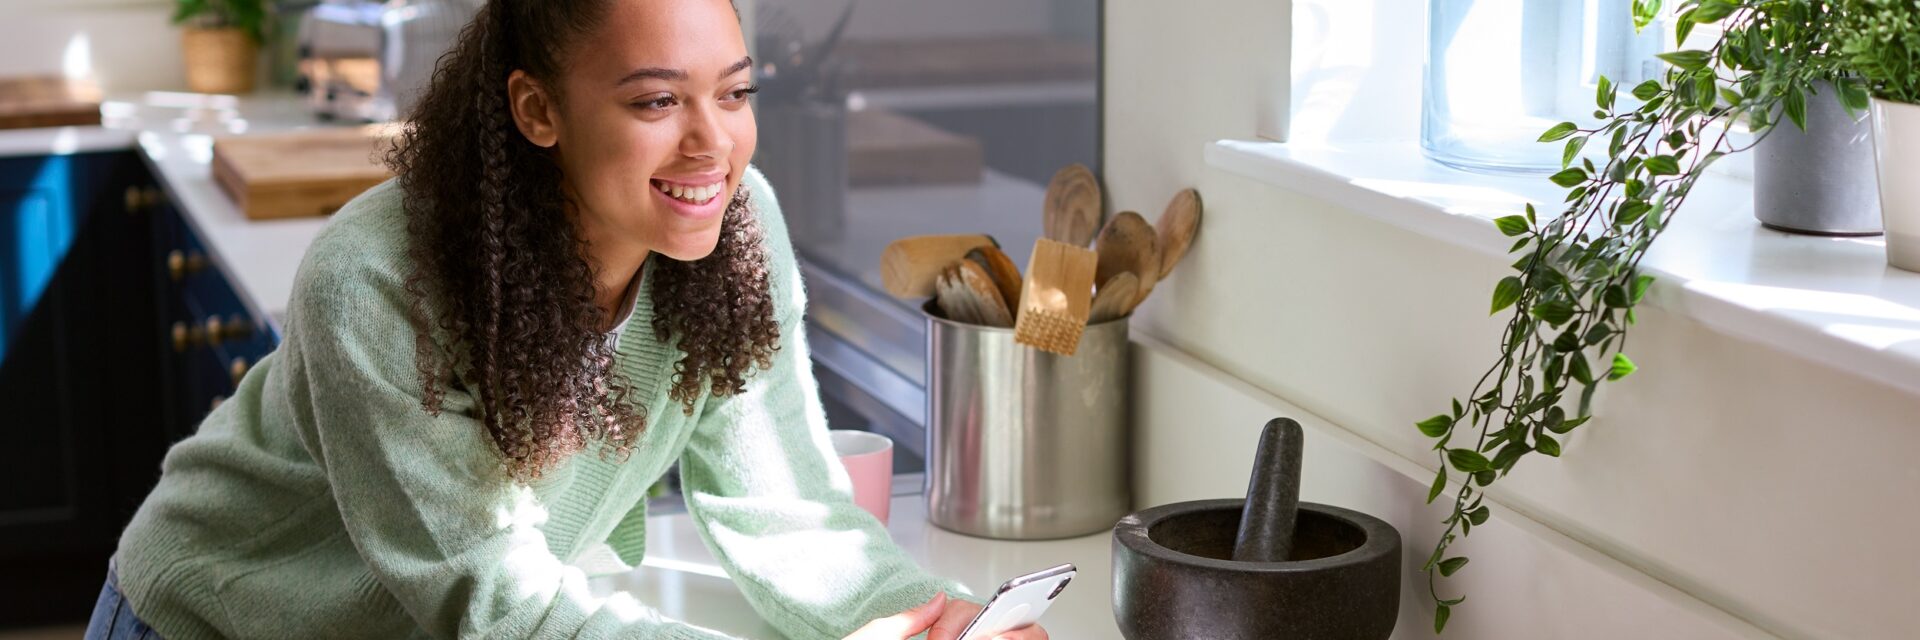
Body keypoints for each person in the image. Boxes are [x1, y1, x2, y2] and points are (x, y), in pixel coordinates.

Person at [87, 1, 1050, 638]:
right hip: (214, 617)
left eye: (736, 91)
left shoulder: (732, 228)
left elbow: (785, 507)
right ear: (538, 109)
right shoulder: (378, 282)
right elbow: (503, 608)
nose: (713, 140)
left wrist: (936, 615)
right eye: (657, 100)